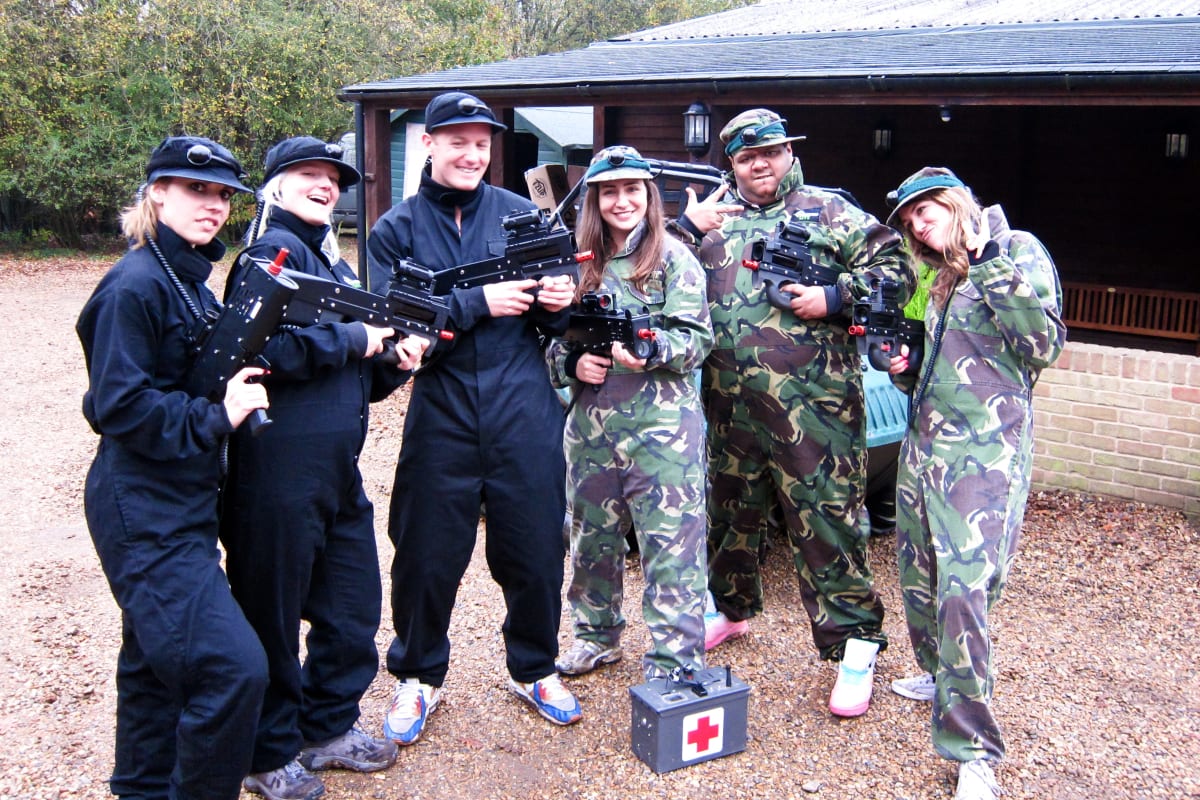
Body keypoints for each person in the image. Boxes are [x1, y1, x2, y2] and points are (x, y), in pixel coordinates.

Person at [671, 108, 910, 717]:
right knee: (730, 514)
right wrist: (682, 227)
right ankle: (728, 610)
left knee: (827, 522)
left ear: (787, 153)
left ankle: (854, 643)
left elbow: (895, 267)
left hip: (816, 411)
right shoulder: (711, 221)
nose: (761, 165)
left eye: (771, 153)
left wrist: (833, 296)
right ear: (731, 164)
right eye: (747, 157)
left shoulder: (829, 211)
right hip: (728, 405)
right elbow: (652, 276)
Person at [366, 91, 581, 740]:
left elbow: (561, 320)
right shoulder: (394, 230)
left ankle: (535, 665)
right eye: (456, 140)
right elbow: (391, 318)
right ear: (427, 144)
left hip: (523, 404)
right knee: (426, 552)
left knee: (538, 545)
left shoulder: (524, 213)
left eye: (481, 143)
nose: (471, 153)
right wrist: (477, 301)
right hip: (441, 406)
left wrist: (559, 297)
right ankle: (418, 675)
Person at [220, 137, 427, 800]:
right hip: (275, 472)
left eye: (331, 178)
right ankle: (265, 751)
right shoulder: (266, 260)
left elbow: (348, 381)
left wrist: (391, 365)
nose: (323, 185)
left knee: (351, 605)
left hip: (336, 470)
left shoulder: (329, 264)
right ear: (274, 186)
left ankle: (327, 727)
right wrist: (352, 339)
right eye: (306, 175)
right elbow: (256, 349)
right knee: (270, 616)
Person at [75, 135, 270, 800]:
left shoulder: (183, 274)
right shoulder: (135, 285)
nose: (213, 206)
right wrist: (221, 414)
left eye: (222, 195)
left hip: (183, 501)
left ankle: (140, 788)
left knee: (154, 669)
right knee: (233, 670)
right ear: (157, 191)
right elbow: (119, 408)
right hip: (142, 508)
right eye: (196, 190)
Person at [883, 167, 1065, 800]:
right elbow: (923, 358)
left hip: (984, 452)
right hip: (923, 445)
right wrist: (900, 364)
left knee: (963, 592)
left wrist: (987, 261)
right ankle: (938, 674)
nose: (917, 227)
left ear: (956, 204)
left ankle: (974, 752)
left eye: (923, 213)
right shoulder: (933, 274)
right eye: (909, 223)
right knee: (919, 577)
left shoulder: (1017, 251)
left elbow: (1042, 345)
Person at [546, 146, 713, 681]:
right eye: (610, 192)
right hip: (591, 429)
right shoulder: (574, 263)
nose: (622, 202)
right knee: (591, 538)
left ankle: (674, 658)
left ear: (648, 197)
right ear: (594, 200)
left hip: (661, 433)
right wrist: (575, 364)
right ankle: (595, 635)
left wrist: (647, 348)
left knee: (671, 547)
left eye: (632, 190)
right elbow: (548, 345)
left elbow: (697, 342)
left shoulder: (673, 259)